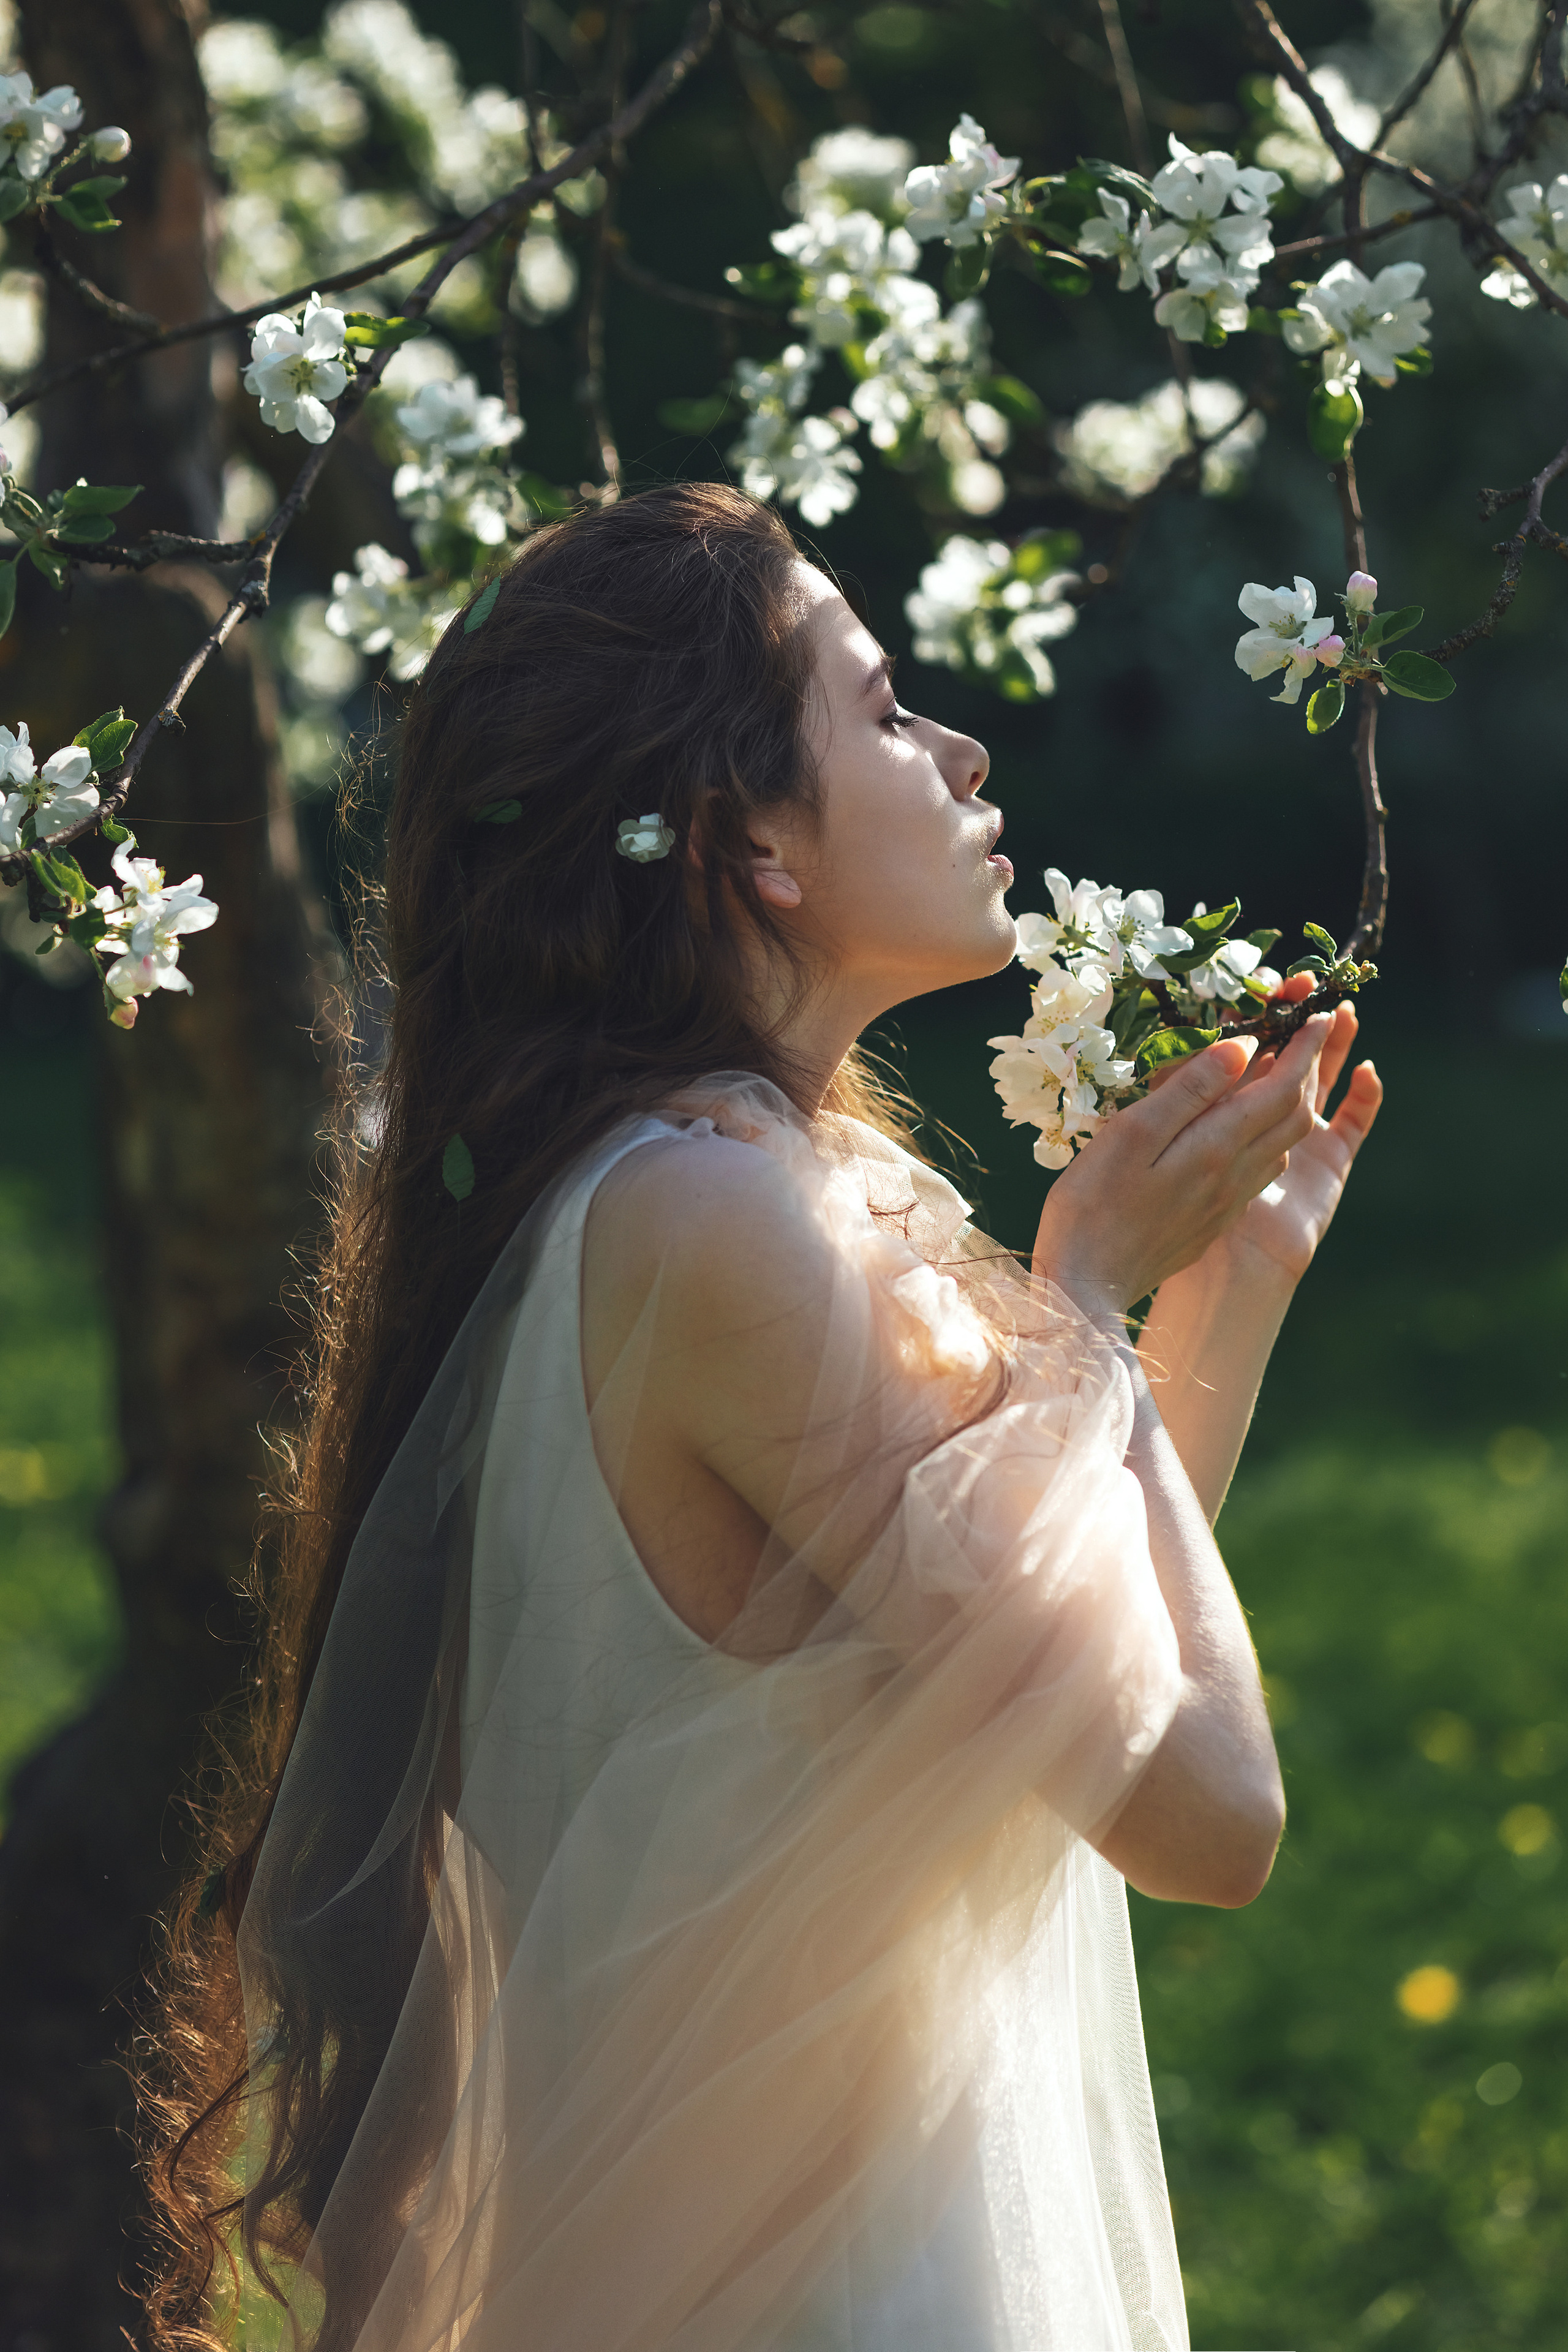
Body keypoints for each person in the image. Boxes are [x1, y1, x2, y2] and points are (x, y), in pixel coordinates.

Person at [140, 482, 1382, 2352]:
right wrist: (1095, 1314)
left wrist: (1233, 1284)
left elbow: (1042, 1704)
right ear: (751, 846)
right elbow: (1211, 1813)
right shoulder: (718, 1226)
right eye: (883, 708)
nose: (963, 747)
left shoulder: (752, 1193)